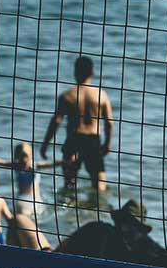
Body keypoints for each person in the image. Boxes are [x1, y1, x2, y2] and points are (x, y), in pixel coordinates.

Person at [42, 54, 114, 195]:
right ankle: (98, 210)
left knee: (69, 185)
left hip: (73, 139)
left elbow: (56, 121)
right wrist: (107, 144)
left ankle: (69, 214)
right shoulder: (101, 95)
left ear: (75, 72)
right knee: (99, 184)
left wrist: (45, 144)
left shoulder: (67, 95)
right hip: (93, 140)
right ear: (92, 72)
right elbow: (109, 123)